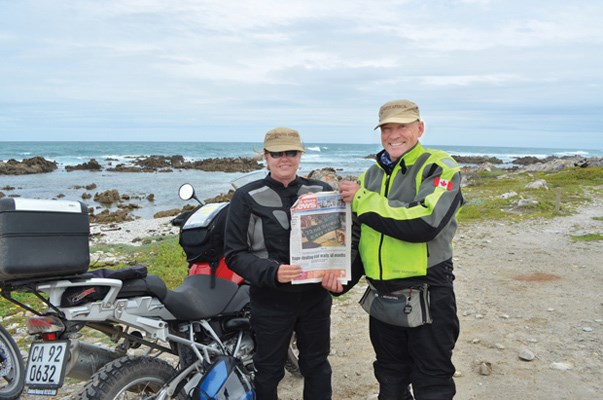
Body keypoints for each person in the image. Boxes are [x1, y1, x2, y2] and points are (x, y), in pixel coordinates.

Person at [323, 99, 464, 400]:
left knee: (432, 383)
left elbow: (426, 222)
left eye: (402, 126)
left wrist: (362, 199)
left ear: (420, 128)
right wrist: (341, 278)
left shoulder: (441, 168)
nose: (393, 134)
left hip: (428, 293)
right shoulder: (371, 176)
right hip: (382, 298)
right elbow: (360, 233)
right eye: (387, 128)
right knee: (389, 377)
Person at [224, 127, 334, 400]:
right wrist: (272, 273)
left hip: (314, 298)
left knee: (317, 364)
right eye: (277, 153)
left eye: (291, 152)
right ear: (266, 156)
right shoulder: (246, 197)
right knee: (268, 370)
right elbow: (234, 254)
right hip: (270, 300)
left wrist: (340, 275)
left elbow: (342, 241)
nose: (284, 159)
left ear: (300, 155)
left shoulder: (321, 191)